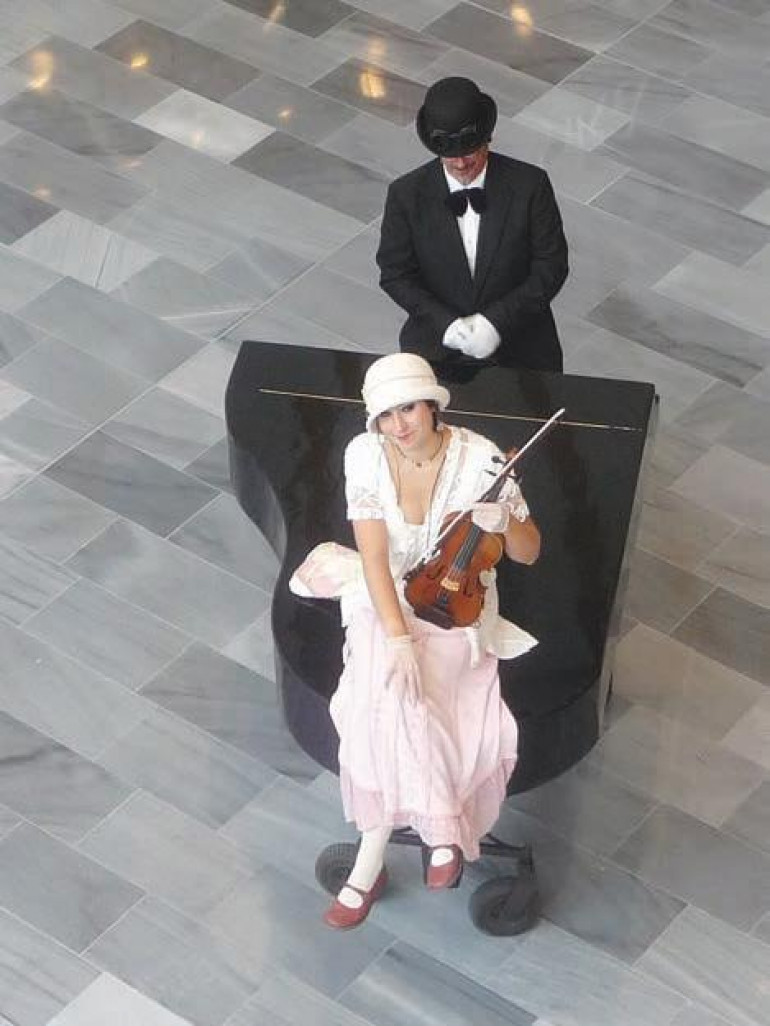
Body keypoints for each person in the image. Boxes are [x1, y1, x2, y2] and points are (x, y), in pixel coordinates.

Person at [297, 353, 541, 930]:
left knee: (388, 705)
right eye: (386, 415)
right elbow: (377, 561)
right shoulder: (365, 456)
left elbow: (530, 552)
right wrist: (400, 637)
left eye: (408, 408)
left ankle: (368, 864)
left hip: (458, 601)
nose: (400, 425)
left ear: (432, 404)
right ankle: (440, 833)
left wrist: (506, 521)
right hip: (386, 598)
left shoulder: (481, 458)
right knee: (393, 679)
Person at [377, 76, 568, 373]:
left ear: (487, 139)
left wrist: (496, 323)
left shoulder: (531, 185)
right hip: (437, 350)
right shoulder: (405, 195)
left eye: (469, 151)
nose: (460, 164)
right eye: (449, 155)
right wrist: (449, 326)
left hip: (523, 348)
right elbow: (395, 275)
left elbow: (551, 265)